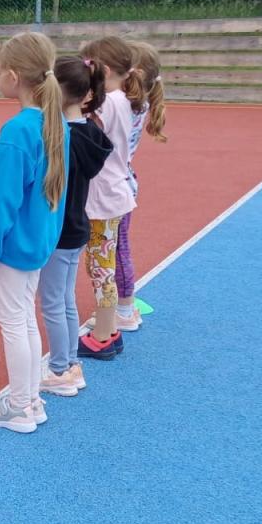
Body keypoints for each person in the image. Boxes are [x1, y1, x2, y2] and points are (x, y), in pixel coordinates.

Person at [0, 32, 69, 433]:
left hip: (15, 247)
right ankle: (29, 400)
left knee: (14, 323)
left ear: (13, 76)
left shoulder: (17, 131)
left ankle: (19, 407)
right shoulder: (55, 122)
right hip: (38, 242)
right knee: (25, 320)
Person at [37, 56, 113, 397]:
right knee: (64, 299)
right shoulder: (91, 132)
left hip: (60, 230)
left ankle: (60, 370)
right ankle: (68, 363)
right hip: (77, 227)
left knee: (53, 302)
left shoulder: (62, 138)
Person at [76, 35, 141, 361]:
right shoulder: (121, 98)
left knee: (101, 268)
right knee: (103, 265)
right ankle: (109, 329)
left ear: (103, 70)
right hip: (113, 190)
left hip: (103, 196)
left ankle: (103, 334)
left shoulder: (105, 103)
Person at [114, 39, 168, 328]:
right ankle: (122, 304)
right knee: (115, 247)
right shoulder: (137, 104)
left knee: (115, 249)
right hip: (120, 184)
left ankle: (124, 309)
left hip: (114, 189)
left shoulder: (123, 106)